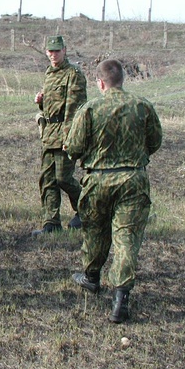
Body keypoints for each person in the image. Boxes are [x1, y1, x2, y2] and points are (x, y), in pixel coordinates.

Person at [67, 59, 163, 323]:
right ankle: (121, 299)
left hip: (98, 180)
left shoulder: (90, 109)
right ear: (123, 79)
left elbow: (73, 148)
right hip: (133, 179)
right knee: (127, 238)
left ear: (100, 83)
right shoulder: (142, 106)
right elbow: (155, 141)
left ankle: (91, 277)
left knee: (95, 232)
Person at [31, 36, 87, 236]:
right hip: (49, 133)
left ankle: (85, 210)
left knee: (63, 177)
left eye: (57, 51)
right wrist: (41, 101)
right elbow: (51, 105)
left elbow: (75, 109)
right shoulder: (49, 73)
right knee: (47, 180)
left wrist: (69, 138)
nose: (53, 55)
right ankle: (51, 223)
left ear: (65, 50)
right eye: (50, 51)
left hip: (65, 133)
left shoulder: (74, 74)